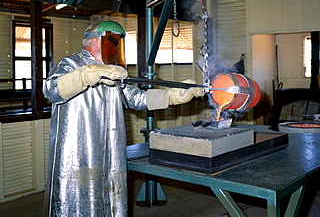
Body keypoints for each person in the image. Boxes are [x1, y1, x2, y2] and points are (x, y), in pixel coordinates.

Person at [43, 20, 204, 217]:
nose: (117, 49)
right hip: (77, 152)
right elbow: (51, 91)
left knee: (111, 201)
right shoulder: (72, 64)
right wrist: (84, 76)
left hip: (110, 152)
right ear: (95, 42)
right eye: (113, 43)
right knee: (77, 202)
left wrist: (172, 96)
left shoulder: (113, 73)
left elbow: (136, 98)